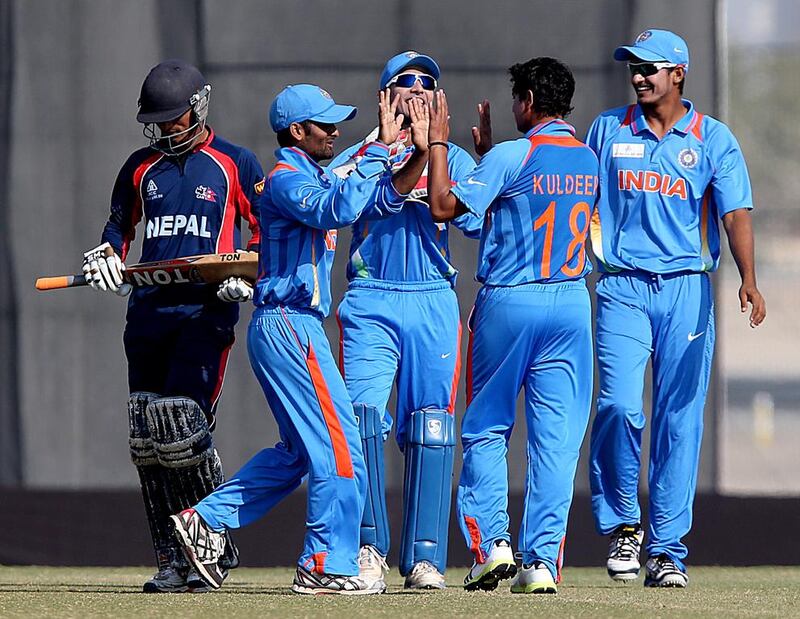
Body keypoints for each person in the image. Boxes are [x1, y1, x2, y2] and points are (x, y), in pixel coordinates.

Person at [171, 84, 431, 595]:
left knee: (297, 452)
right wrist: (377, 151)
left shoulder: (314, 175)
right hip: (289, 324)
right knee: (338, 446)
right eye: (325, 125)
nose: (335, 132)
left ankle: (206, 521)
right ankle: (323, 562)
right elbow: (337, 207)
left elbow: (376, 194)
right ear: (297, 132)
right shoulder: (287, 180)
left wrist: (416, 151)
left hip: (293, 326)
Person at [586, 29, 767, 588]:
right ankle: (623, 526)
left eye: (650, 67)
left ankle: (666, 549)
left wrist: (749, 280)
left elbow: (735, 213)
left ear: (679, 74)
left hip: (687, 289)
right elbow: (576, 194)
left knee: (678, 420)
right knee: (618, 405)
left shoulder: (713, 138)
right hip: (621, 287)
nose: (638, 76)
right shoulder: (607, 130)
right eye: (633, 67)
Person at [81, 59, 262, 592]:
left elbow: (266, 231)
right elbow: (118, 226)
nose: (164, 130)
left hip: (204, 313)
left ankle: (211, 546)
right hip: (148, 315)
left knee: (181, 425)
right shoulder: (141, 167)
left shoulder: (234, 163)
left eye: (173, 119)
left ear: (199, 108)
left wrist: (246, 274)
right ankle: (170, 556)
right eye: (156, 122)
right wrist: (106, 255)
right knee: (146, 435)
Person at [427, 57, 599, 594]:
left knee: (486, 425)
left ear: (526, 101)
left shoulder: (513, 153)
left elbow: (441, 206)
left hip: (511, 301)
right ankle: (542, 563)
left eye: (515, 100)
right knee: (556, 443)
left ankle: (492, 546)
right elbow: (516, 210)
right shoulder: (589, 158)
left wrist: (439, 144)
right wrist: (488, 162)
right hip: (571, 303)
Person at [327, 51, 482, 591]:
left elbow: (477, 224)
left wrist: (459, 160)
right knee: (362, 418)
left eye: (427, 89)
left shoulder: (453, 159)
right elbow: (347, 207)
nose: (416, 96)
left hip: (433, 299)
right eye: (405, 87)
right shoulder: (356, 157)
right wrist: (401, 152)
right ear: (384, 96)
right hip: (372, 299)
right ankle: (368, 548)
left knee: (431, 427)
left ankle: (425, 558)